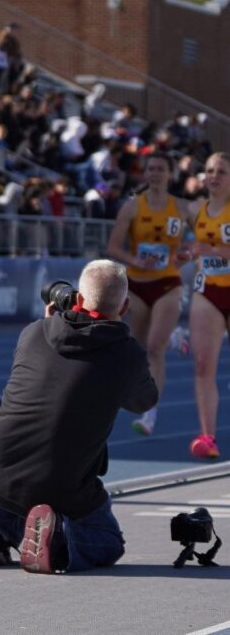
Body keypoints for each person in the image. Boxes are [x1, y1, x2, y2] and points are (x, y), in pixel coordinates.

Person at [0, 260, 158, 573]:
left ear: (79, 300)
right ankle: (58, 540)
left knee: (30, 434)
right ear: (125, 306)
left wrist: (51, 323)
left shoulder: (34, 332)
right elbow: (144, 401)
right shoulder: (126, 354)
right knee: (108, 540)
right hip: (55, 482)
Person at [106, 153, 187, 436]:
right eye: (150, 169)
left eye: (160, 169)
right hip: (137, 284)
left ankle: (149, 415)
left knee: (154, 348)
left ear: (170, 174)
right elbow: (114, 246)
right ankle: (174, 336)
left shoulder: (182, 208)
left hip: (167, 283)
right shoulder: (131, 207)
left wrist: (188, 254)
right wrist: (135, 260)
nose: (154, 173)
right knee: (140, 349)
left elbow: (203, 239)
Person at [184, 151, 230, 459]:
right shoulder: (196, 210)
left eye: (221, 172)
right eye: (210, 171)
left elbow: (210, 248)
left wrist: (211, 248)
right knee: (203, 366)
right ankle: (208, 436)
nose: (213, 176)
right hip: (208, 290)